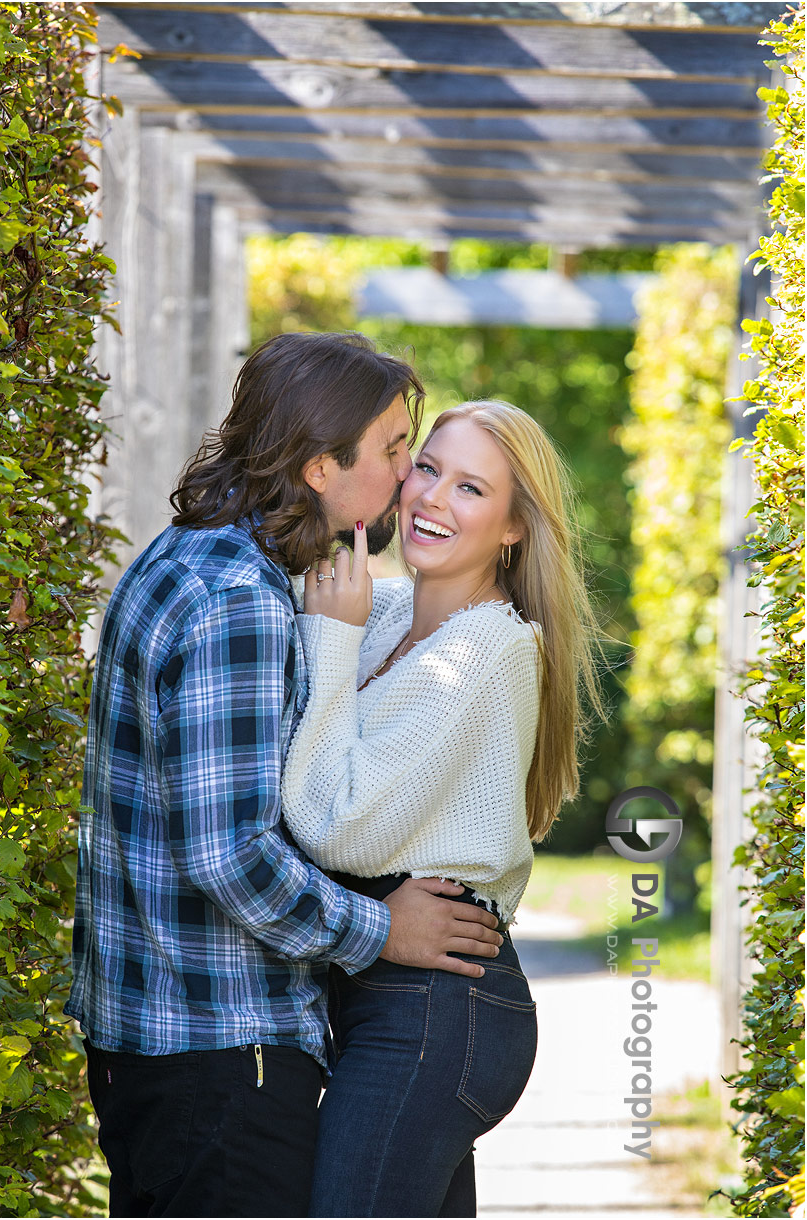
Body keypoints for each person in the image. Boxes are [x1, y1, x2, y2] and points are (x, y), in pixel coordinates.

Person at [64, 333, 505, 1220]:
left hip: (163, 1049)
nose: (403, 477)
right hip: (221, 1055)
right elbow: (231, 857)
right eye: (390, 452)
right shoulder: (238, 603)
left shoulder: (186, 554)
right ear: (318, 468)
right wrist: (380, 930)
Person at [281, 399, 608, 1217]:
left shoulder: (490, 647)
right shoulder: (383, 610)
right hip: (386, 996)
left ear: (512, 528)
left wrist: (328, 639)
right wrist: (338, 629)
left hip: (437, 1005)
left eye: (470, 489)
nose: (431, 499)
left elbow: (333, 822)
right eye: (426, 468)